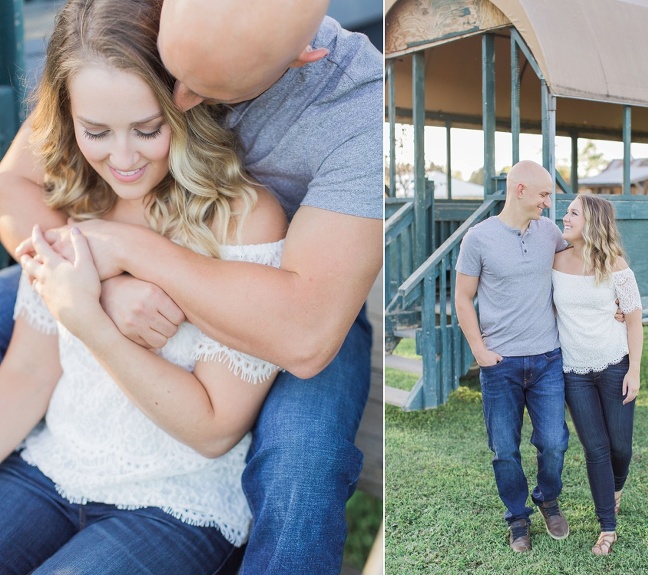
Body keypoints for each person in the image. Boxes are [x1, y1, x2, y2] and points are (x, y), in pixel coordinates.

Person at [0, 0, 382, 572]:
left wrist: (103, 291)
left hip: (300, 301)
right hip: (61, 456)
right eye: (97, 130)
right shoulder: (115, 64)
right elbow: (28, 371)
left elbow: (298, 336)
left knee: (302, 463)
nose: (182, 96)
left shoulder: (354, 112)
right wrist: (100, 286)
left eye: (201, 88)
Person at [454, 160, 570, 553]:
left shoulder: (550, 233)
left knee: (554, 442)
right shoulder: (478, 238)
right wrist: (479, 350)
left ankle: (547, 499)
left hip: (547, 360)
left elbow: (578, 270)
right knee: (505, 449)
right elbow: (462, 297)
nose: (548, 203)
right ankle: (517, 517)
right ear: (519, 190)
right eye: (543, 195)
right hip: (500, 365)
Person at [553, 192, 643, 555]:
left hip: (614, 365)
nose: (565, 217)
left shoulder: (616, 265)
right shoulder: (554, 259)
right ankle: (608, 527)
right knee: (596, 449)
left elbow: (634, 319)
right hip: (573, 371)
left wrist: (634, 370)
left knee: (621, 446)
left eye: (573, 213)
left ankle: (616, 487)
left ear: (592, 221)